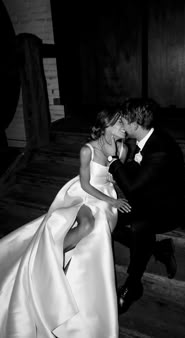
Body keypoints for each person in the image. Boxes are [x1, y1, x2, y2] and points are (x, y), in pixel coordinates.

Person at [0, 107, 131, 338]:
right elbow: (86, 185)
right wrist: (112, 199)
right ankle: (48, 259)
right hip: (84, 194)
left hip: (107, 199)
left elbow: (119, 178)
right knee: (88, 225)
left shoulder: (122, 148)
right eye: (120, 124)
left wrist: (115, 199)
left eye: (125, 123)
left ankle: (74, 273)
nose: (125, 128)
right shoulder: (87, 149)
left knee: (98, 224)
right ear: (107, 125)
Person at [103, 97, 185, 314]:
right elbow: (138, 175)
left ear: (135, 125)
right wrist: (122, 171)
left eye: (124, 121)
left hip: (167, 209)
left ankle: (132, 285)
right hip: (148, 198)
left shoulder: (160, 149)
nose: (121, 124)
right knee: (109, 220)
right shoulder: (145, 139)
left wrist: (113, 161)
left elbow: (133, 188)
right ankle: (160, 250)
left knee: (139, 228)